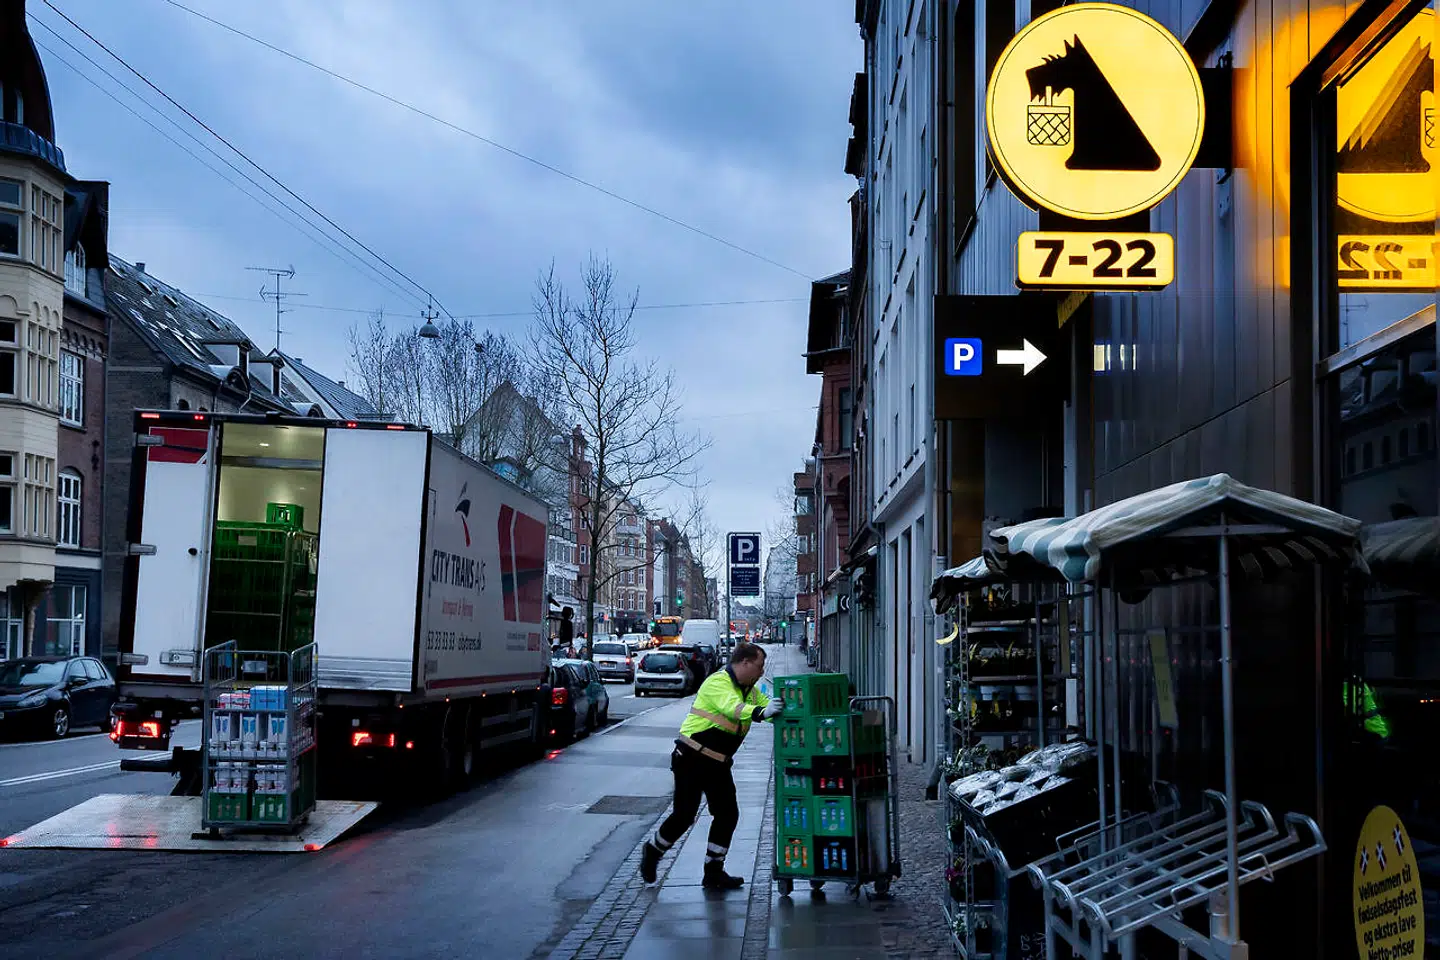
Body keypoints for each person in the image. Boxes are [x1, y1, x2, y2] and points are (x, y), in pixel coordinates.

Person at [640, 642, 784, 890]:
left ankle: (713, 872)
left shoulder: (749, 689)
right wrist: (762, 712)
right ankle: (653, 850)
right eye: (759, 667)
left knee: (728, 814)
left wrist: (781, 709)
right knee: (684, 815)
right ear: (745, 663)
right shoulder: (718, 682)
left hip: (718, 762)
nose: (761, 672)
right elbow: (735, 709)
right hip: (692, 757)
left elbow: (766, 705)